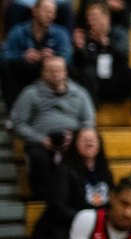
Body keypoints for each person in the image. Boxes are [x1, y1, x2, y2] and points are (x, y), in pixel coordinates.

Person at [26, 127, 114, 239]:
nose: (89, 141)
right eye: (84, 139)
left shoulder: (104, 171)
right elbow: (58, 208)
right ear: (75, 144)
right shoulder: (64, 170)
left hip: (94, 230)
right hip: (64, 231)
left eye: (93, 139)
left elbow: (110, 202)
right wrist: (91, 220)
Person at [11, 57, 95, 202]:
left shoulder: (80, 93)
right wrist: (40, 139)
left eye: (59, 70)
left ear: (65, 72)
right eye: (51, 71)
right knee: (38, 157)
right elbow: (18, 123)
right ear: (43, 72)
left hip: (73, 141)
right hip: (40, 142)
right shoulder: (30, 93)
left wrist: (76, 137)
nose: (55, 74)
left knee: (89, 150)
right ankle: (43, 201)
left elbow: (89, 120)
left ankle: (81, 198)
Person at [72, 0, 131, 127]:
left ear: (106, 17)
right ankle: (91, 118)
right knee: (87, 73)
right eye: (89, 18)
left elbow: (124, 55)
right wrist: (79, 49)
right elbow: (81, 65)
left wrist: (106, 43)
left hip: (118, 81)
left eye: (94, 17)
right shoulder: (86, 37)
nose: (91, 21)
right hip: (98, 85)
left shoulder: (119, 32)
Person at [0, 0, 71, 109]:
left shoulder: (60, 33)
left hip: (50, 74)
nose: (50, 16)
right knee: (6, 67)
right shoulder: (18, 31)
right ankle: (13, 113)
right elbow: (4, 55)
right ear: (35, 11)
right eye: (46, 11)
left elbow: (68, 56)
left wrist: (53, 58)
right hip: (24, 72)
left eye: (53, 12)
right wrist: (22, 56)